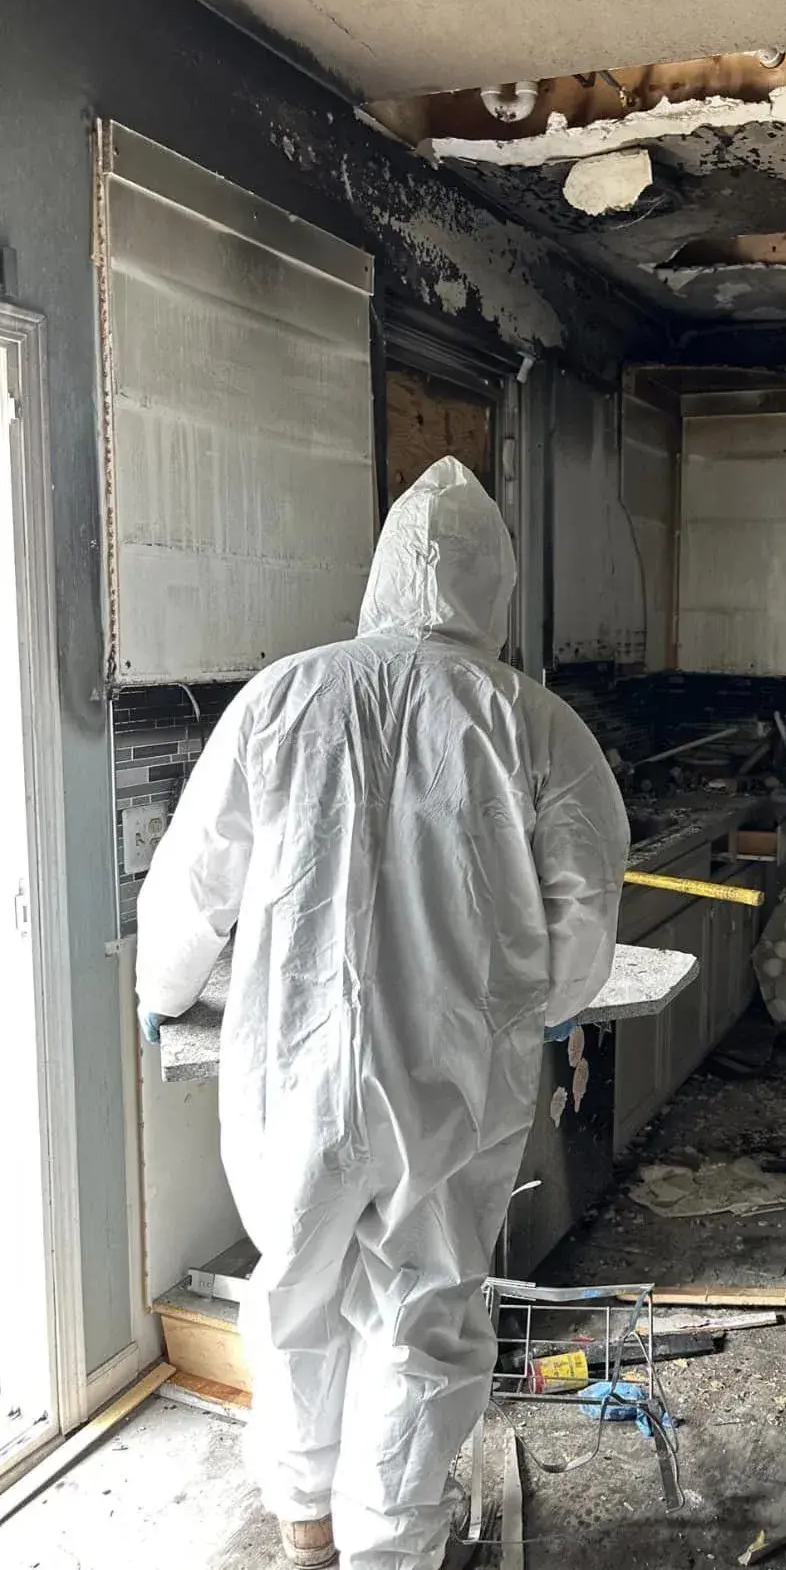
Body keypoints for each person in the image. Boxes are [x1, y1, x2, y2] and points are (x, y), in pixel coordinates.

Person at [136, 458, 629, 1570]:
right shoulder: (536, 724)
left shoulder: (282, 694)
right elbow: (585, 898)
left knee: (295, 1290)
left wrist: (162, 994)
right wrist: (548, 1007)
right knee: (425, 1314)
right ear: (491, 586)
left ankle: (303, 1523)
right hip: (453, 1071)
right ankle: (390, 1550)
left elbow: (194, 875)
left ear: (384, 576)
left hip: (293, 1063)